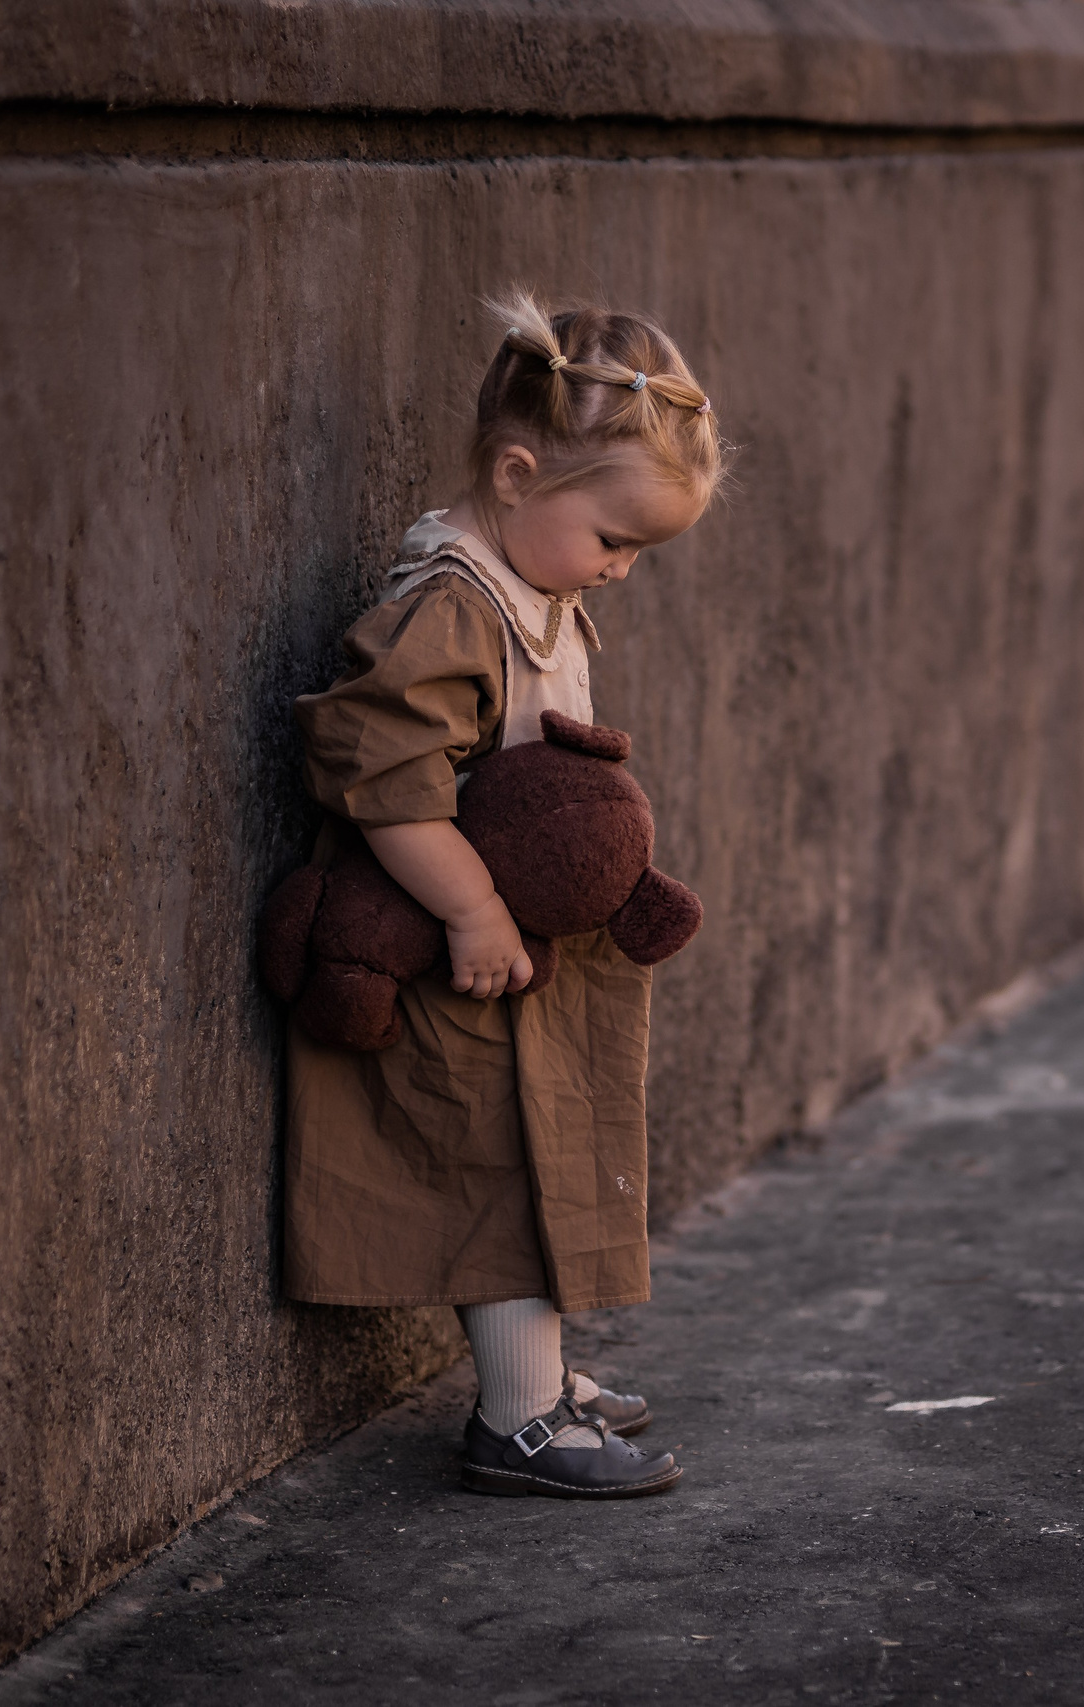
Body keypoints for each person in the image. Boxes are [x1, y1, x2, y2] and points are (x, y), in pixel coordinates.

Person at [285, 293, 726, 1499]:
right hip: (454, 952)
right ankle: (519, 1418)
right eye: (612, 539)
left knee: (546, 1151)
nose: (621, 570)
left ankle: (543, 1376)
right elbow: (382, 775)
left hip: (516, 948)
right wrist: (475, 912)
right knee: (499, 1167)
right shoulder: (449, 606)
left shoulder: (531, 582)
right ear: (519, 474)